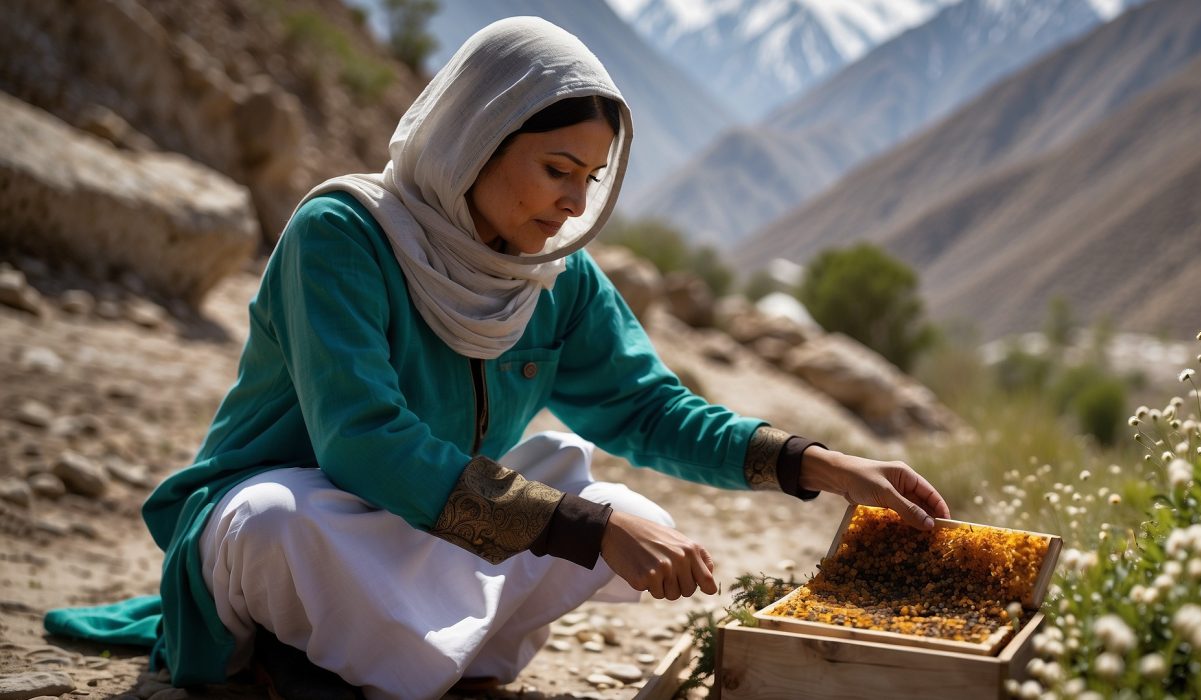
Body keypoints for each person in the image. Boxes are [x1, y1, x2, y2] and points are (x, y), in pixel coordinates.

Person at [45, 16, 949, 699]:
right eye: (556, 168)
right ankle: (310, 650)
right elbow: (363, 444)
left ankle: (368, 658)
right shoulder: (342, 236)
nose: (573, 203)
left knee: (617, 500)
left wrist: (818, 464)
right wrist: (583, 531)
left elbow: (648, 408)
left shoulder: (555, 279)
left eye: (590, 179)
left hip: (430, 522)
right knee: (285, 522)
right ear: (478, 135)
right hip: (305, 514)